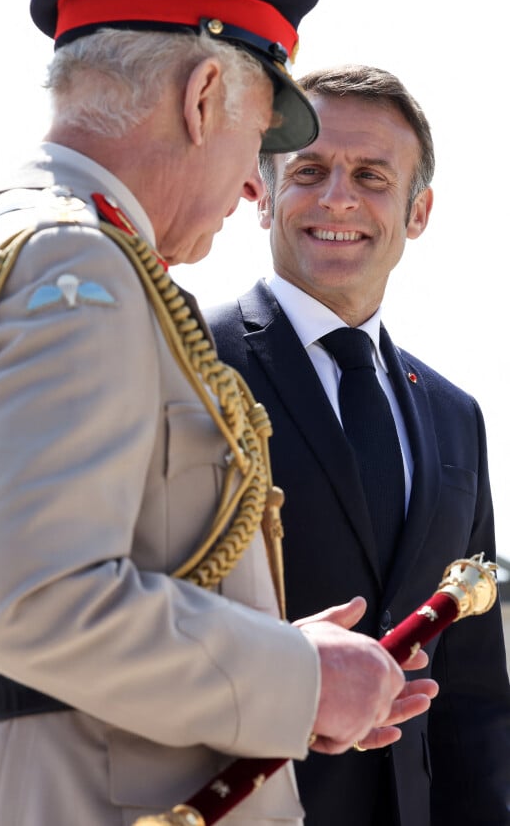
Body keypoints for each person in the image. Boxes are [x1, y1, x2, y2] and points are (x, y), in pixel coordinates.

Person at [0, 0, 438, 826]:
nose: (253, 186)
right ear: (204, 97)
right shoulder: (73, 262)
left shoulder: (35, 248)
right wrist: (303, 678)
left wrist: (266, 651)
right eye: (260, 137)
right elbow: (39, 604)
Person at [207, 63, 510, 826]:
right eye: (309, 169)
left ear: (418, 211)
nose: (338, 196)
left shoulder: (454, 414)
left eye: (372, 175)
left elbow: (472, 696)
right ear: (259, 189)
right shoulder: (182, 360)